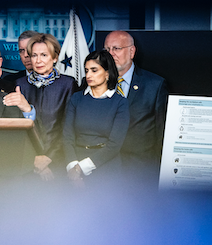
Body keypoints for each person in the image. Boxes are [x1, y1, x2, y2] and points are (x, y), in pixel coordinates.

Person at [103, 30, 169, 188]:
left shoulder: (155, 85)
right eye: (107, 50)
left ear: (131, 51)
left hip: (140, 175)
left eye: (116, 49)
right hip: (102, 174)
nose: (111, 54)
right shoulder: (91, 83)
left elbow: (161, 134)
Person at [17, 33, 80, 181]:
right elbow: (18, 129)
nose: (38, 60)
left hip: (57, 161)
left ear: (55, 57)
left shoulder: (68, 84)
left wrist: (47, 158)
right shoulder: (20, 85)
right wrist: (34, 159)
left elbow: (68, 128)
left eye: (44, 55)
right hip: (27, 162)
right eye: (34, 55)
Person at [63, 50, 129, 189]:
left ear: (107, 73)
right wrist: (72, 167)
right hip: (74, 166)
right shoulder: (76, 98)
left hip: (106, 169)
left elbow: (115, 145)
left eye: (94, 70)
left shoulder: (120, 102)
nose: (88, 75)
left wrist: (80, 168)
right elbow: (67, 136)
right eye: (86, 70)